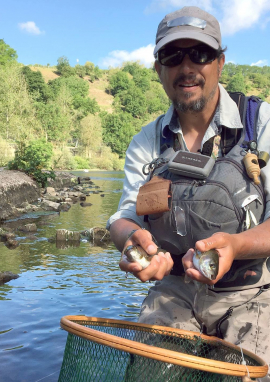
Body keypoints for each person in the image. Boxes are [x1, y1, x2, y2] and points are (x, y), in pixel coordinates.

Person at [107, 5, 270, 378]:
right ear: (157, 68)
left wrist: (237, 246)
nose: (187, 66)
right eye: (172, 55)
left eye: (199, 53)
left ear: (220, 62)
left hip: (252, 293)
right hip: (172, 292)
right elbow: (123, 217)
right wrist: (135, 245)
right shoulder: (146, 141)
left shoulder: (261, 124)